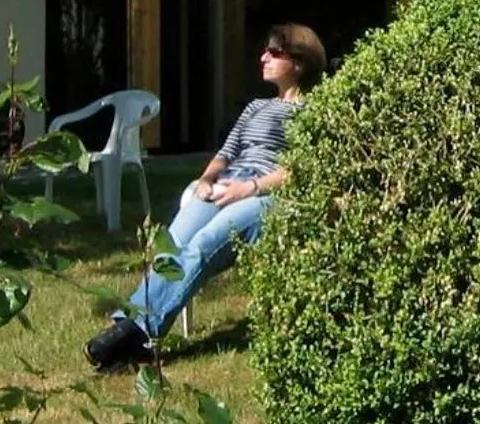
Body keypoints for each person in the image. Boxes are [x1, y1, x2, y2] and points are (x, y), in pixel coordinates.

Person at [85, 22, 326, 369]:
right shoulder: (255, 107)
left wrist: (251, 188)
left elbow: (303, 167)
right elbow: (226, 152)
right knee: (172, 247)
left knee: (202, 246)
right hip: (227, 183)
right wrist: (206, 178)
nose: (263, 58)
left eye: (273, 53)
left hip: (264, 194)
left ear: (299, 63)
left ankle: (137, 333)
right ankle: (130, 326)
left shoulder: (313, 112)